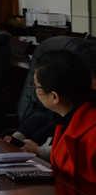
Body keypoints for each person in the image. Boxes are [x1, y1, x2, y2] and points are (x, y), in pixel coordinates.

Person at [33, 50, 96, 182]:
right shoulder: (67, 119)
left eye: (37, 87)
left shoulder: (92, 134)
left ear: (54, 97)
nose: (35, 91)